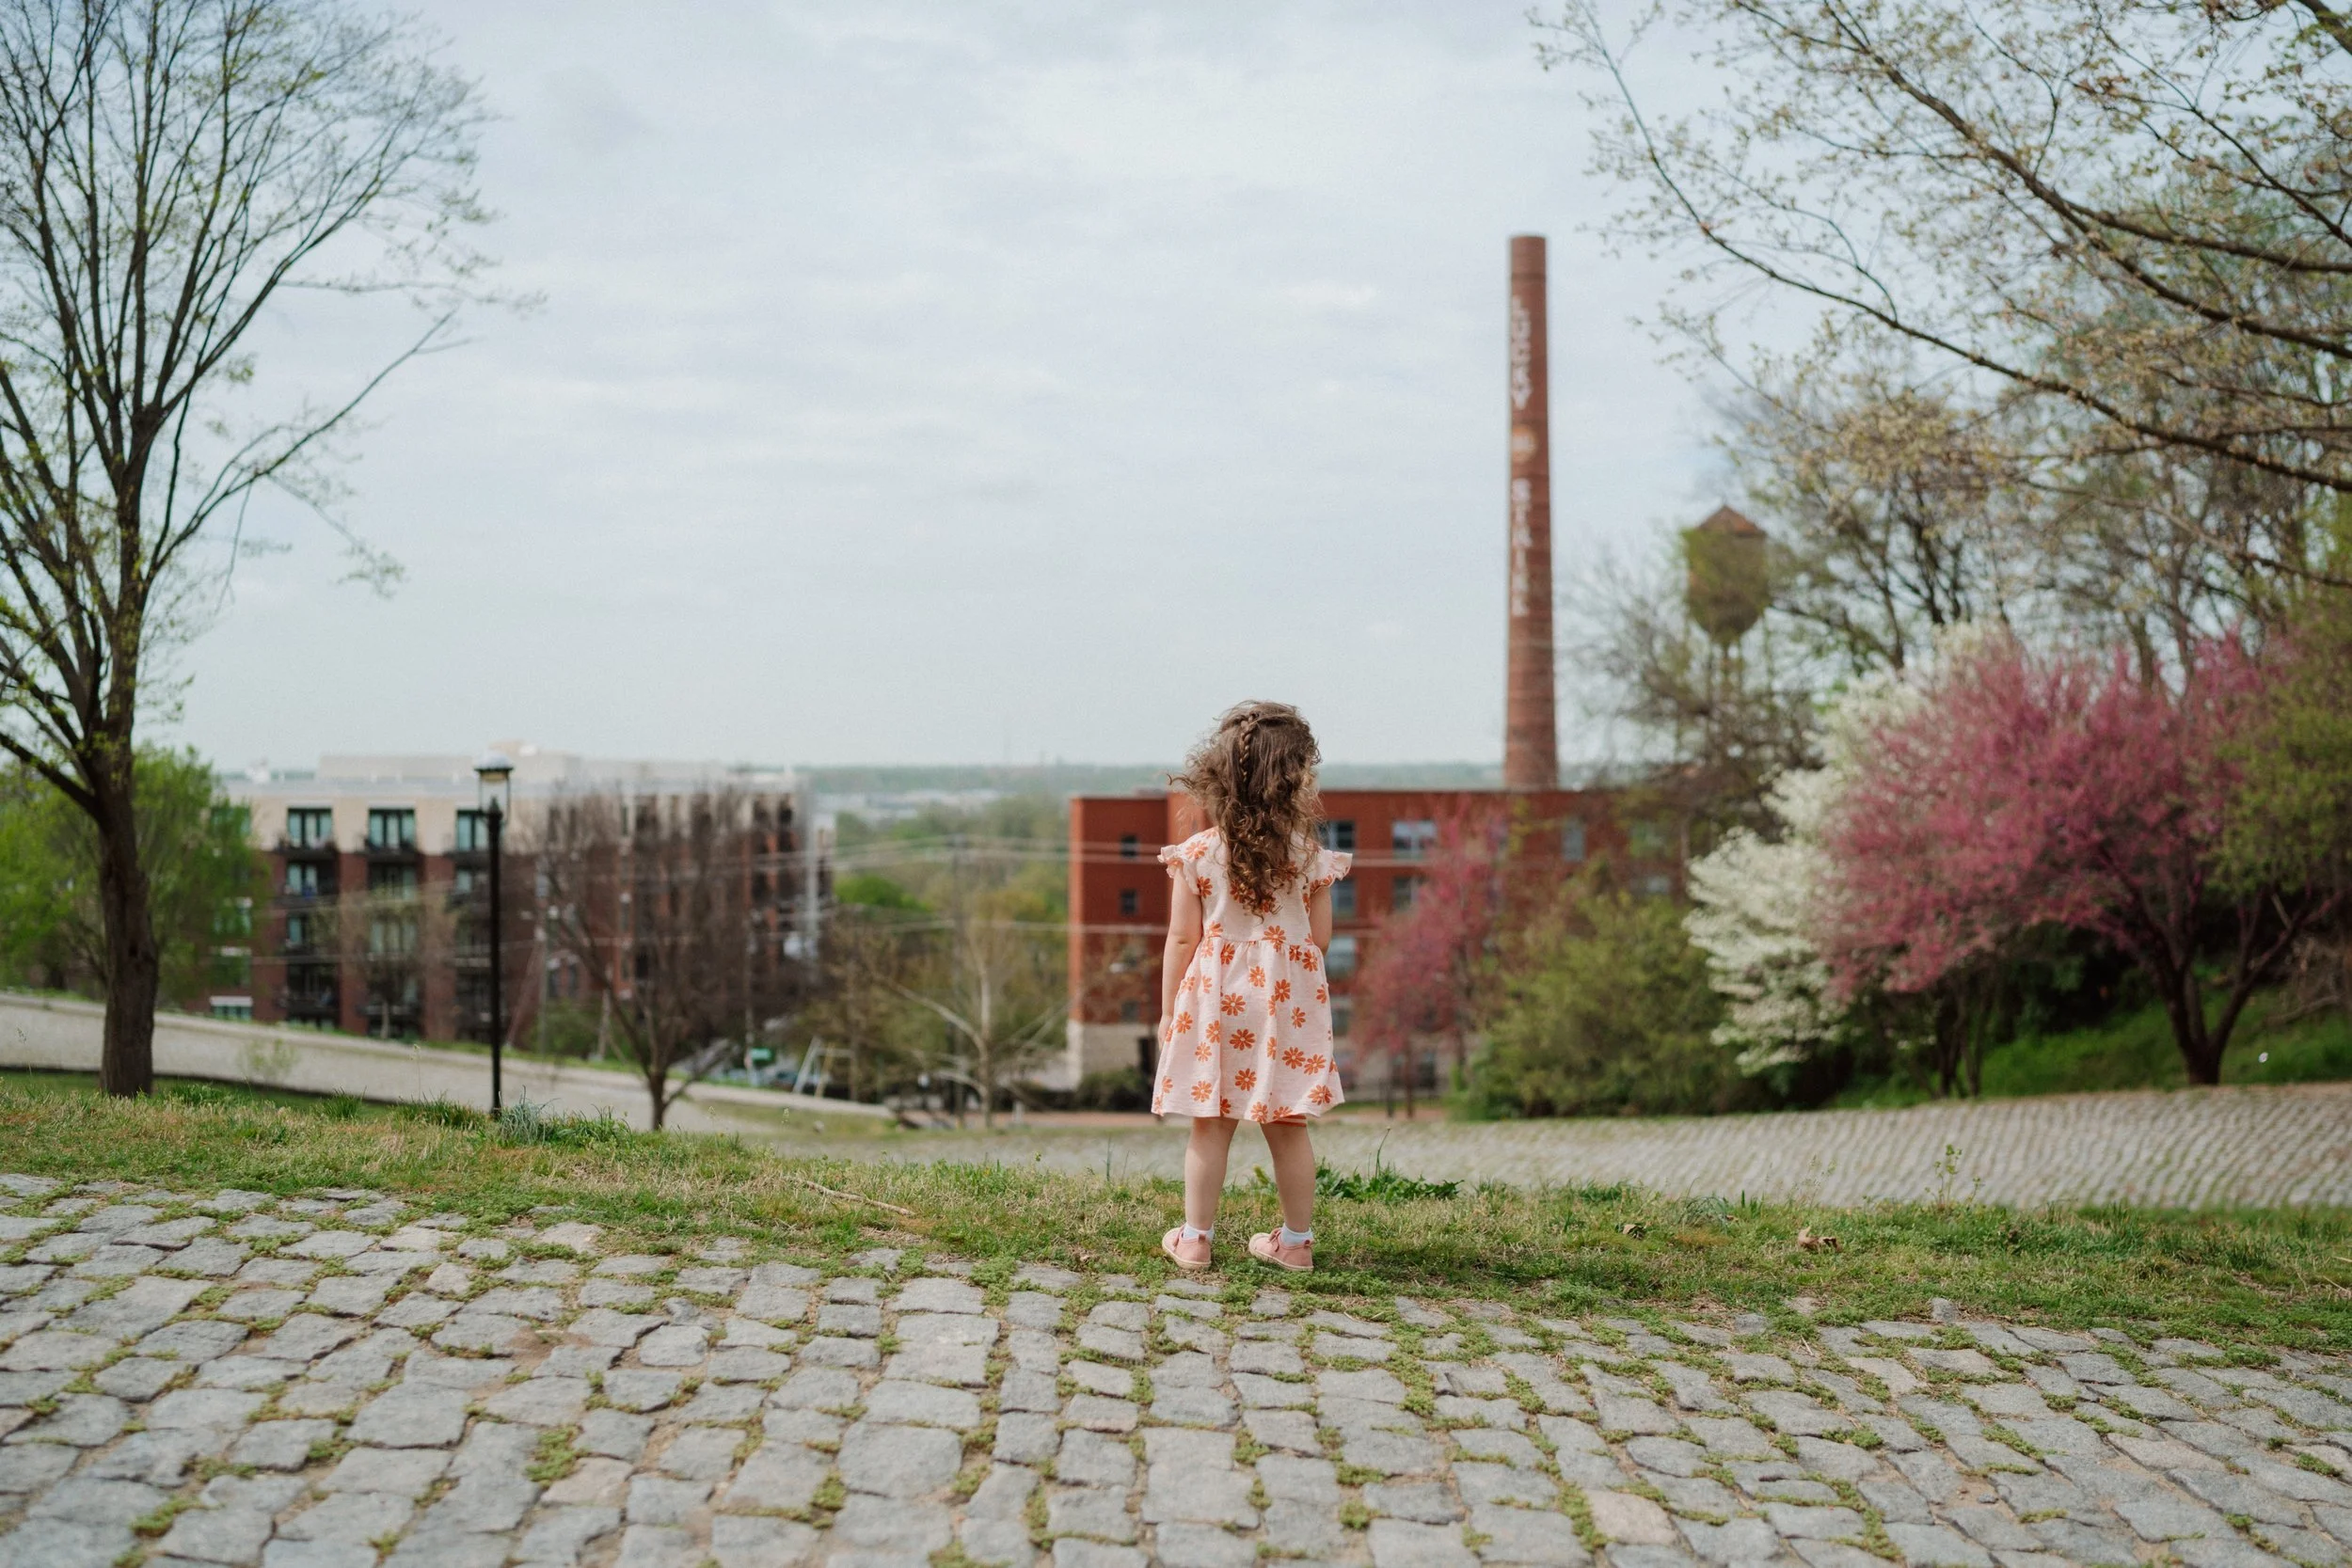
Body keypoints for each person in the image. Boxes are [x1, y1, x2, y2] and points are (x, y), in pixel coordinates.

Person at [1152, 701, 1351, 1273]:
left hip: (1217, 1002)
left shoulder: (1197, 855)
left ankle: (1194, 1239)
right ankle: (1294, 1244)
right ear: (1295, 782)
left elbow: (1181, 942)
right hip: (1285, 1005)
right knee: (1286, 1125)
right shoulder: (1307, 857)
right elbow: (1317, 938)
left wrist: (1170, 1013)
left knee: (1210, 1121)